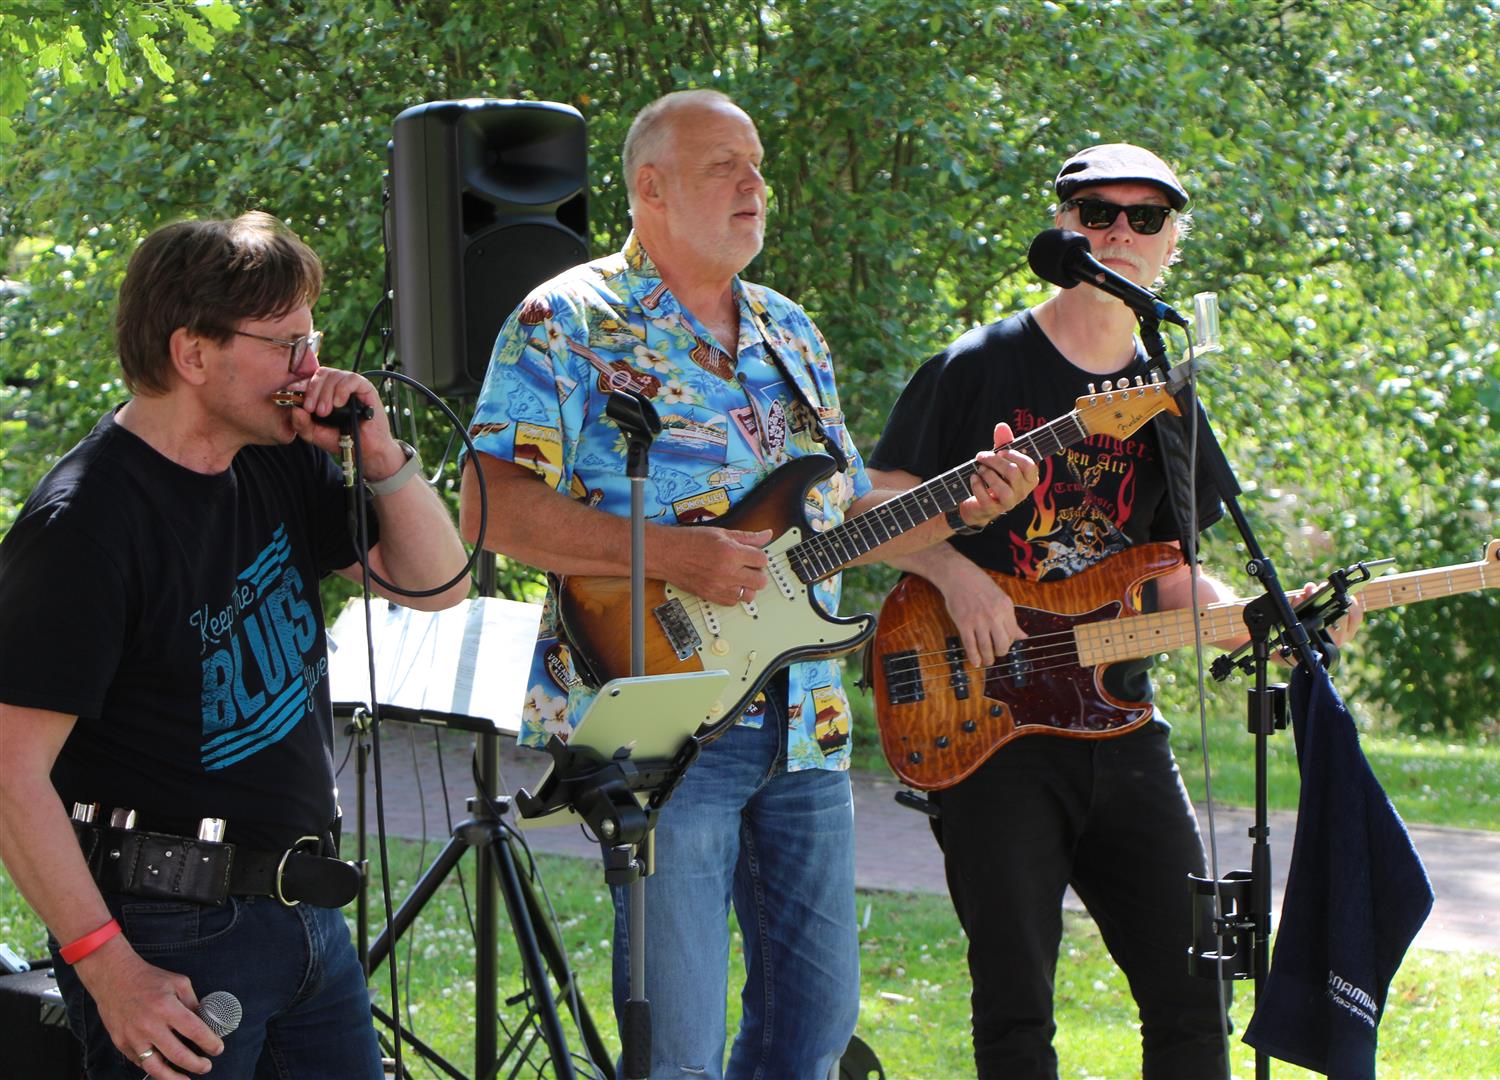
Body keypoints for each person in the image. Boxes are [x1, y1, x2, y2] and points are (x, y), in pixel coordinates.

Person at [459, 89, 1036, 1079]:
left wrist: (968, 507)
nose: (754, 185)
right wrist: (671, 554)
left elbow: (845, 514)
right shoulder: (568, 319)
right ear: (650, 188)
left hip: (806, 720)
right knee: (679, 1048)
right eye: (724, 166)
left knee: (812, 1033)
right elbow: (487, 509)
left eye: (757, 166)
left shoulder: (789, 330)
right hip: (660, 710)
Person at [866, 144, 1360, 1078]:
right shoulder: (977, 365)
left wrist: (1259, 617)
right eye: (1097, 214)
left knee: (1195, 997)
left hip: (1119, 719)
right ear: (1063, 230)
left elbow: (1172, 573)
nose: (1120, 233)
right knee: (1015, 1009)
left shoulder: (1170, 394)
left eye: (1146, 217)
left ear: (1173, 243)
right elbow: (870, 507)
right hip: (989, 717)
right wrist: (956, 574)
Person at [0, 212, 470, 1079]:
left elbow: (438, 584)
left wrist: (380, 455)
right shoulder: (84, 525)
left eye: (311, 343)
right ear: (192, 353)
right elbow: (9, 772)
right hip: (168, 931)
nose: (311, 371)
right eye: (287, 345)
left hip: (306, 915)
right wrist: (106, 966)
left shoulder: (274, 459)